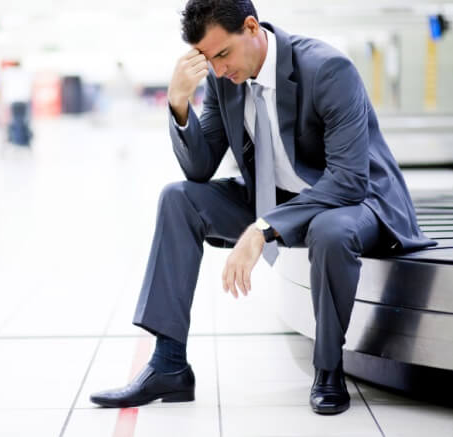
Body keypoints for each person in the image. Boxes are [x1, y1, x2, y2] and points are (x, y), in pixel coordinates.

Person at [90, 0, 435, 415]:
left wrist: (261, 229)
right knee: (178, 199)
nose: (218, 70)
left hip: (357, 200)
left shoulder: (327, 69)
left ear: (252, 27)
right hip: (278, 197)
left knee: (330, 230)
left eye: (223, 54)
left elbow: (348, 181)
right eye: (208, 60)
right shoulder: (223, 80)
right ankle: (168, 365)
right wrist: (179, 103)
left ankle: (328, 370)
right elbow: (200, 168)